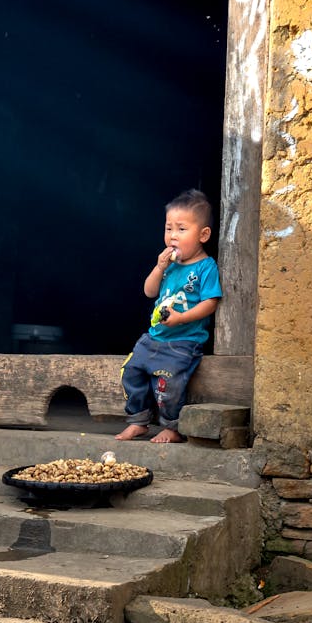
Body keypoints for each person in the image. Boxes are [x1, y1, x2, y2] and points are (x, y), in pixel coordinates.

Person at [117, 189, 223, 443]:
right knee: (130, 371)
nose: (173, 236)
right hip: (154, 337)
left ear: (203, 234)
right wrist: (159, 267)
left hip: (183, 341)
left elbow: (211, 303)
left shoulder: (205, 267)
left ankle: (172, 427)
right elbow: (149, 290)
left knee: (169, 383)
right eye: (168, 229)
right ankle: (138, 420)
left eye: (181, 229)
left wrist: (180, 319)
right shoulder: (169, 265)